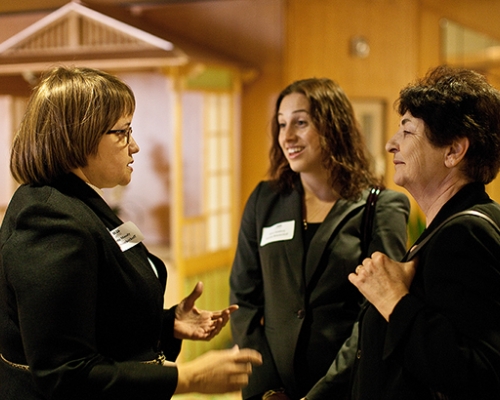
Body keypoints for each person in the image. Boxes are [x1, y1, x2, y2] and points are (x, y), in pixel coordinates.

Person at [0, 66, 262, 400]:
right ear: (78, 136)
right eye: (122, 132)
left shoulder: (79, 201)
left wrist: (166, 326)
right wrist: (187, 378)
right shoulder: (50, 219)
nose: (134, 146)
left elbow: (94, 317)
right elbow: (64, 373)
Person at [306, 65, 500, 400]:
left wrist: (393, 300)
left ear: (454, 151)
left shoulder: (464, 234)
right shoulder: (461, 223)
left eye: (407, 132)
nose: (390, 144)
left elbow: (479, 374)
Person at [229, 77, 410, 400]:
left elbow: (377, 311)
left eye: (301, 122)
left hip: (347, 386)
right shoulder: (264, 200)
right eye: (282, 124)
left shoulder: (380, 207)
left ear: (333, 126)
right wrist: (266, 387)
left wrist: (323, 393)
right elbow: (243, 299)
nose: (287, 136)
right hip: (272, 388)